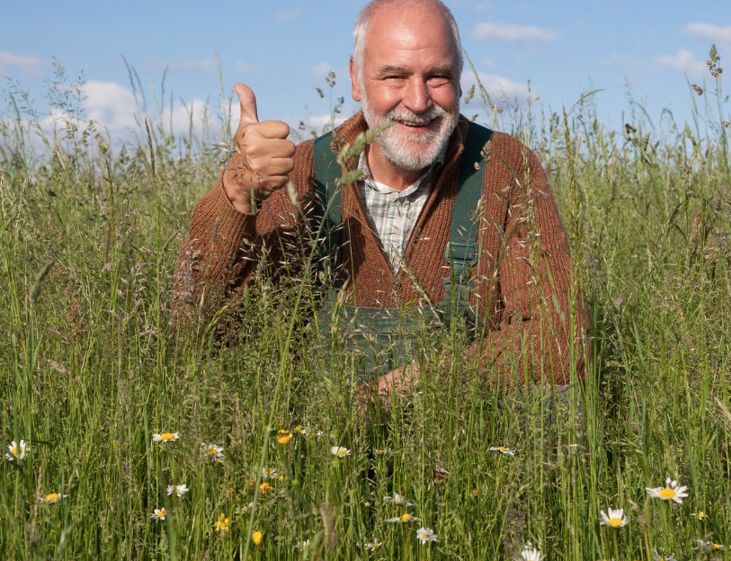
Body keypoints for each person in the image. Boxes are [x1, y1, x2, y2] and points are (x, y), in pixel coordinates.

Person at [171, 0, 586, 397]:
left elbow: (561, 336)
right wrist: (235, 196)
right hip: (322, 447)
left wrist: (403, 390)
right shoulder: (300, 176)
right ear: (355, 78)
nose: (419, 101)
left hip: (462, 448)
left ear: (461, 80)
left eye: (437, 76)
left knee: (559, 409)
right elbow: (191, 327)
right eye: (394, 76)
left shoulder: (503, 167)